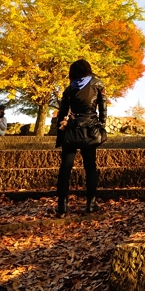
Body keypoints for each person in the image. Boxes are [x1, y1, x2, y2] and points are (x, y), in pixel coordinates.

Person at [54, 59, 107, 216]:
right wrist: (101, 125)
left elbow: (62, 112)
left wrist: (61, 133)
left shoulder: (69, 88)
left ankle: (62, 204)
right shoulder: (97, 84)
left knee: (65, 167)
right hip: (90, 131)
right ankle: (91, 203)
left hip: (71, 130)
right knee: (90, 167)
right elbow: (103, 108)